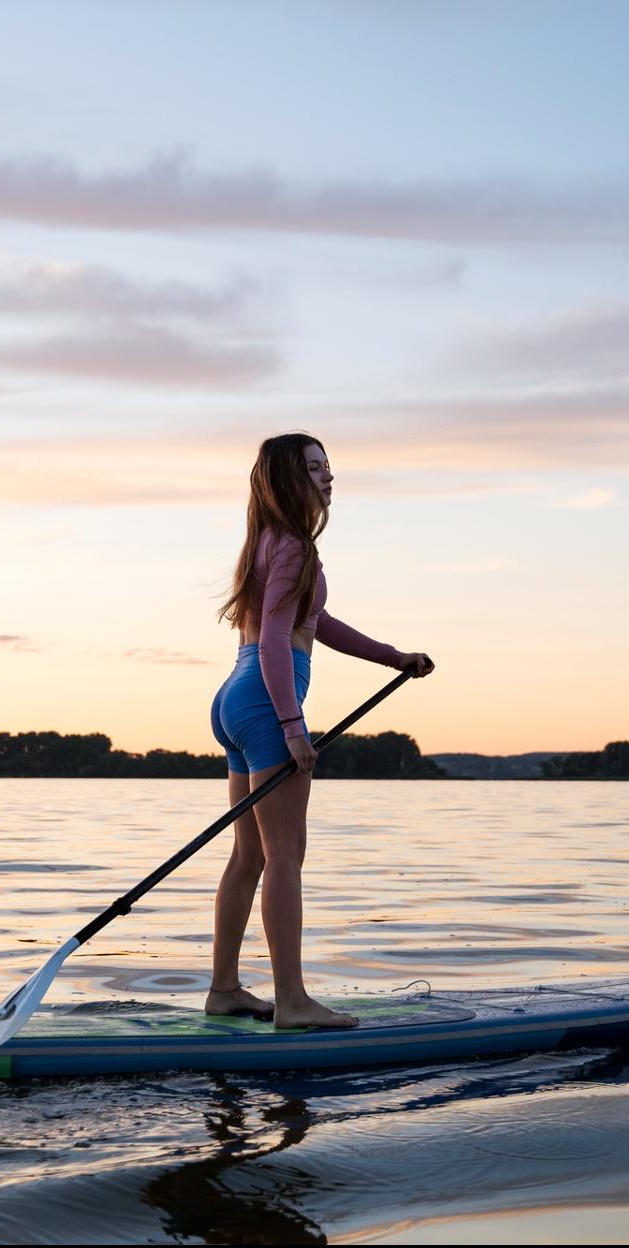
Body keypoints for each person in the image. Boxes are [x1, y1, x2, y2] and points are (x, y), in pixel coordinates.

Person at [209, 433, 434, 1029]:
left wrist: (392, 656)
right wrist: (291, 725)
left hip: (234, 697)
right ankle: (293, 1002)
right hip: (263, 700)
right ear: (288, 479)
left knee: (248, 855)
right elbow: (281, 638)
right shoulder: (294, 548)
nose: (329, 476)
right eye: (315, 468)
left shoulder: (266, 542)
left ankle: (225, 990)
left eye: (329, 466)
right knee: (285, 855)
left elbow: (316, 620)